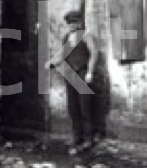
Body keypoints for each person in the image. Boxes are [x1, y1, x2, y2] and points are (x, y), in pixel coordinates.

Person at [45, 10, 108, 154]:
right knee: (73, 108)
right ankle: (77, 136)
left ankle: (88, 139)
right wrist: (51, 62)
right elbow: (62, 54)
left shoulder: (85, 36)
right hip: (70, 74)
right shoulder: (68, 37)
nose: (72, 25)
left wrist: (90, 72)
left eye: (75, 22)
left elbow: (94, 54)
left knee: (85, 108)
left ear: (80, 22)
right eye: (70, 23)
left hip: (82, 73)